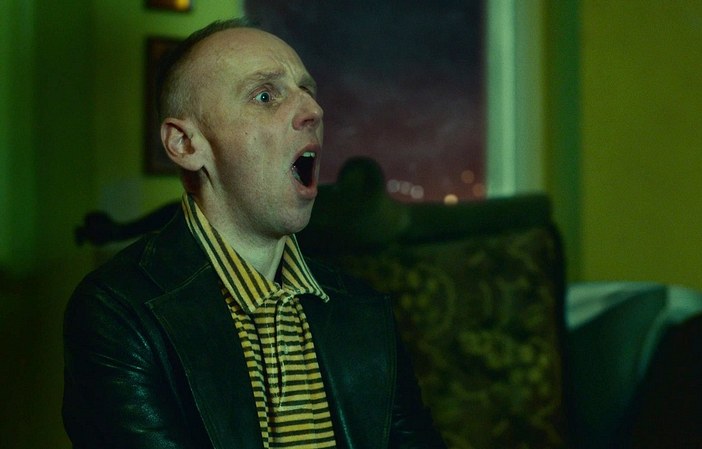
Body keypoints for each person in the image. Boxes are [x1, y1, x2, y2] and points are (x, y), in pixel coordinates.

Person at [62, 18, 446, 449]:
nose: (314, 111)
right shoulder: (118, 314)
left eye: (307, 91)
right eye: (265, 95)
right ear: (186, 144)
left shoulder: (363, 309)